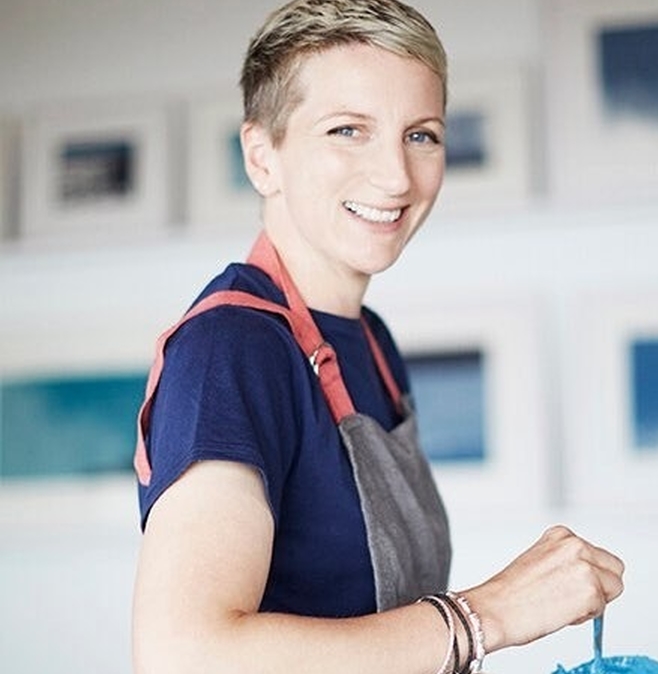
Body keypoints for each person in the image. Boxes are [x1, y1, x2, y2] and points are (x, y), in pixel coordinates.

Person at [131, 1, 625, 672]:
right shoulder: (232, 348)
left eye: (420, 135)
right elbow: (184, 655)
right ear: (261, 156)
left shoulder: (371, 342)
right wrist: (490, 613)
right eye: (347, 130)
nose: (396, 176)